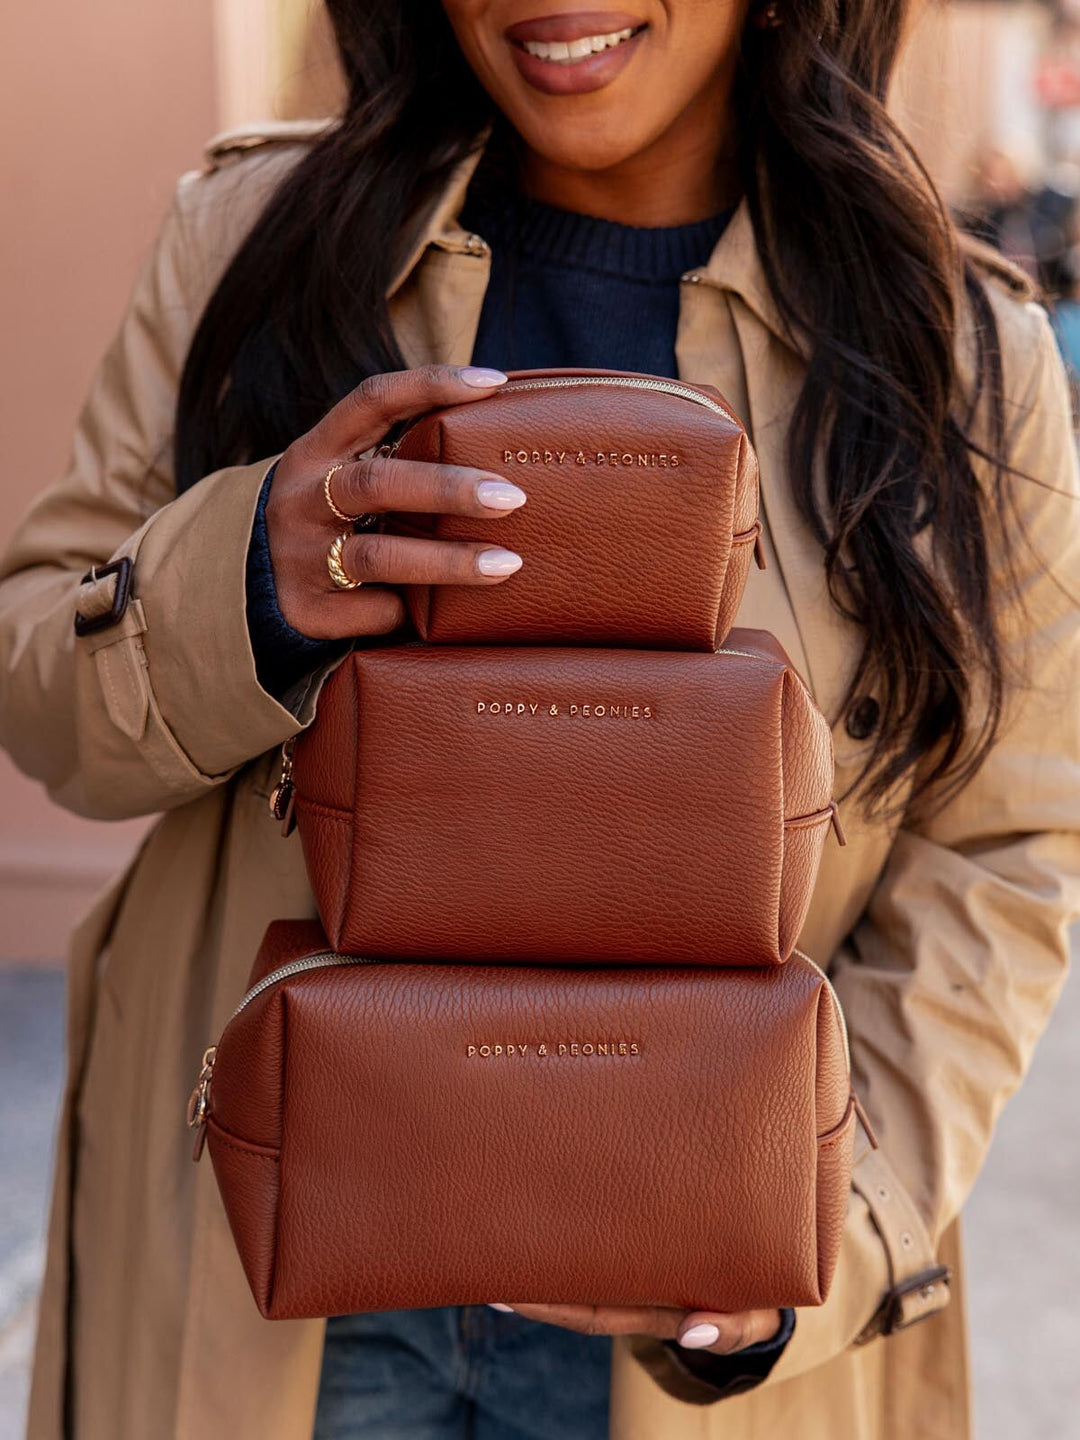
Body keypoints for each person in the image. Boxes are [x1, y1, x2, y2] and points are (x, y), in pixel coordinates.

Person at [2, 2, 1078, 1438]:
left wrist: (809, 1232)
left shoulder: (958, 352)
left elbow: (1007, 853)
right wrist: (246, 575)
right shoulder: (252, 240)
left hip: (688, 1311)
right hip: (262, 1280)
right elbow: (44, 699)